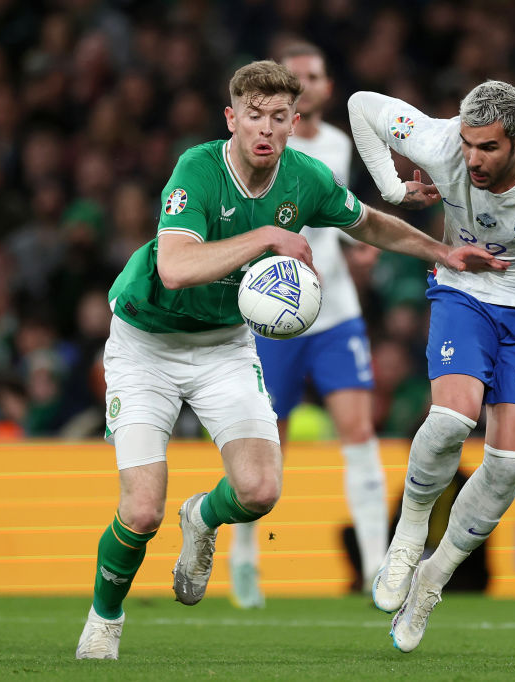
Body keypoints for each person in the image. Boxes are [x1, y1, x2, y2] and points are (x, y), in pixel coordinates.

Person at [75, 60, 504, 660]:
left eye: (279, 117)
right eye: (254, 116)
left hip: (223, 345)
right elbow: (174, 268)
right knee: (142, 511)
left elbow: (367, 224)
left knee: (258, 491)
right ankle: (105, 618)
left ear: (294, 123)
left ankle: (201, 517)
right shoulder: (198, 170)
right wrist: (267, 238)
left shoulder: (305, 178)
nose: (266, 129)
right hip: (147, 343)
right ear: (232, 118)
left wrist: (441, 251)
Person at [348, 80, 515, 652]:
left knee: (508, 466)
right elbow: (361, 106)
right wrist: (392, 188)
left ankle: (432, 580)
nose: (472, 159)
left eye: (488, 147)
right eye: (468, 144)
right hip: (465, 290)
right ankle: (408, 536)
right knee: (451, 420)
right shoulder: (441, 141)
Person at [227, 42, 388, 609]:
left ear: (326, 87)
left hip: (335, 310)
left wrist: (356, 249)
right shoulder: (261, 147)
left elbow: (331, 214)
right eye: (295, 77)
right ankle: (244, 558)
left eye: (314, 76)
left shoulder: (340, 144)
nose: (306, 84)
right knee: (268, 446)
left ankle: (377, 569)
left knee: (359, 431)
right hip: (274, 315)